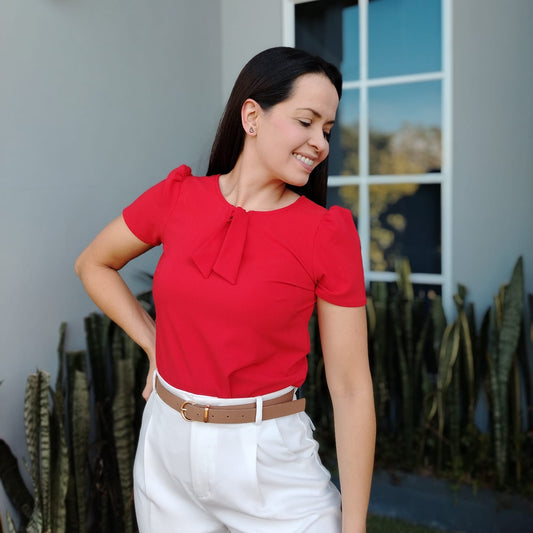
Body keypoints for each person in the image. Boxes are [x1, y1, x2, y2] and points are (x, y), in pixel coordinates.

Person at [75, 46, 375, 533]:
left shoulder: (327, 233)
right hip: (166, 444)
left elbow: (351, 387)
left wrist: (355, 524)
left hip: (269, 459)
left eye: (327, 129)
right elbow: (94, 264)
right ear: (252, 116)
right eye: (307, 121)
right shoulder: (178, 197)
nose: (320, 142)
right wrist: (154, 343)